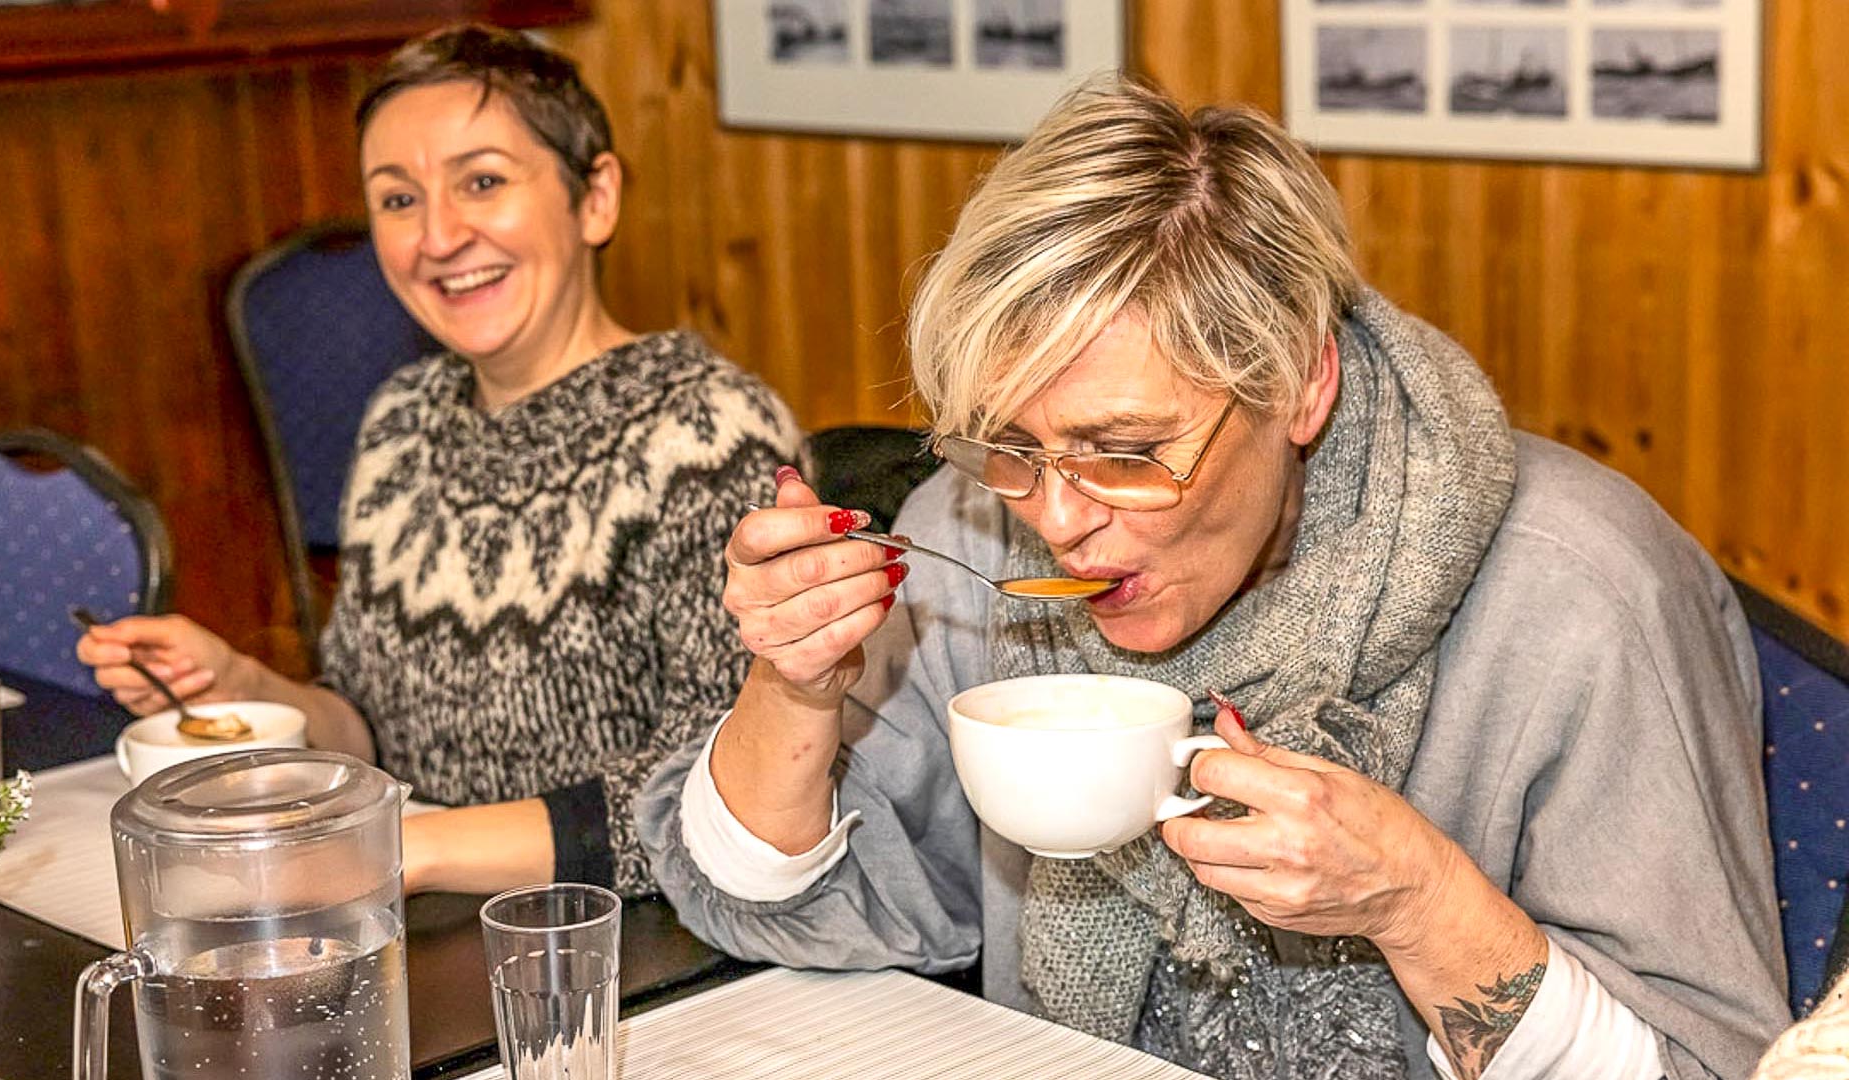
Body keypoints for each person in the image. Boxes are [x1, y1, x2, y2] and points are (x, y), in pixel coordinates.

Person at [638, 78, 1790, 1079]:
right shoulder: (977, 531)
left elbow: (1705, 1065)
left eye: (1129, 452)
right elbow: (790, 907)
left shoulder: (1580, 597)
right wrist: (791, 687)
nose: (1060, 519)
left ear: (1303, 383)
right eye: (1010, 445)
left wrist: (1416, 900)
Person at [77, 24, 798, 899]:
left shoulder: (710, 435)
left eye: (483, 182)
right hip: (425, 925)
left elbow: (721, 807)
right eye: (398, 200)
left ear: (595, 197)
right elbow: (369, 731)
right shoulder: (402, 420)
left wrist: (404, 852)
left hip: (630, 950)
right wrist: (240, 685)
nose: (439, 236)